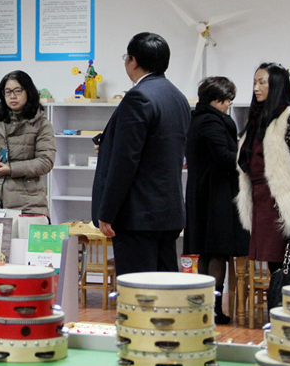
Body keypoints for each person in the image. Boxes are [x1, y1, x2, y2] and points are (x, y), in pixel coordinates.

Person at [91, 32, 190, 275]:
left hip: (138, 215)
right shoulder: (178, 97)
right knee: (165, 287)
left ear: (133, 61)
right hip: (168, 211)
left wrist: (107, 211)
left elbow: (126, 160)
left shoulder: (138, 97)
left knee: (138, 290)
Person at [236, 63, 290, 274]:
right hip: (260, 198)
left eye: (262, 82)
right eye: (255, 83)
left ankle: (283, 297)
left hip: (280, 200)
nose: (256, 88)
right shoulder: (258, 118)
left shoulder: (288, 118)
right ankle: (276, 296)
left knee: (286, 263)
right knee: (272, 263)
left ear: (276, 85)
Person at [183, 76, 249, 325]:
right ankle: (213, 309)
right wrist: (247, 158)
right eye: (227, 100)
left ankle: (205, 307)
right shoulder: (211, 121)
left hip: (203, 193)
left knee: (207, 251)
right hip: (216, 195)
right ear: (217, 100)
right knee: (217, 251)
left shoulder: (198, 119)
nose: (229, 104)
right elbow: (223, 156)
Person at [0, 71, 56, 217]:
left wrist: (11, 169)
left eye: (17, 91)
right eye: (8, 92)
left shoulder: (41, 123)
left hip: (29, 205)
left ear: (28, 92)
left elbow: (45, 162)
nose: (12, 96)